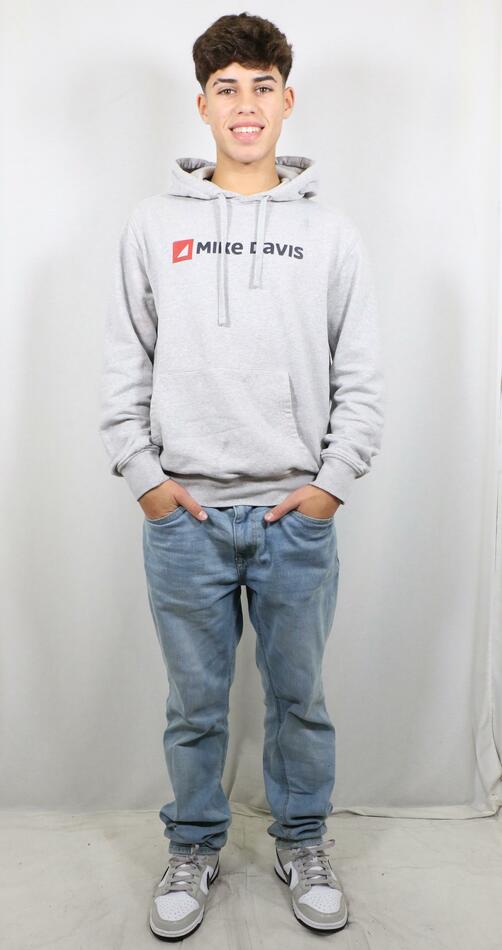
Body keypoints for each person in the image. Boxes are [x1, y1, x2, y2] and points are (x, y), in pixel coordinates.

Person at [99, 11, 385, 941]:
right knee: (194, 707)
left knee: (300, 702)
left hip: (293, 516)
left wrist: (329, 488)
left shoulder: (330, 234)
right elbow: (125, 362)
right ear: (203, 105)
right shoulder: (153, 225)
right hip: (183, 516)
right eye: (227, 88)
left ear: (287, 101)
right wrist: (146, 480)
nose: (246, 104)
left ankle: (303, 843)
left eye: (262, 86)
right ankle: (192, 848)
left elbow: (360, 378)